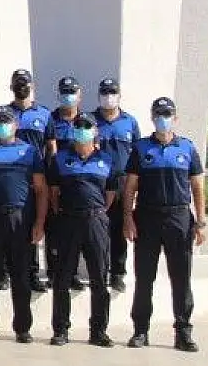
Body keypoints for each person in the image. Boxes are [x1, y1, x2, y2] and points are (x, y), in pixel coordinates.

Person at [122, 97, 205, 352]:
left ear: (175, 118)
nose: (163, 118)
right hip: (147, 217)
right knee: (144, 277)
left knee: (181, 278)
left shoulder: (187, 148)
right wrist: (127, 217)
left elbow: (198, 187)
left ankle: (183, 332)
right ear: (152, 117)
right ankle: (140, 331)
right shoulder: (141, 148)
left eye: (167, 114)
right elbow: (130, 187)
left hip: (179, 218)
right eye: (158, 113)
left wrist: (201, 222)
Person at [0, 106, 48, 343]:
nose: (2, 125)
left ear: (16, 125)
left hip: (20, 219)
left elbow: (41, 189)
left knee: (21, 276)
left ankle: (22, 328)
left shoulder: (29, 152)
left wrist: (39, 222)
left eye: (7, 121)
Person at [46, 112, 115, 348]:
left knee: (99, 278)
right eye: (78, 126)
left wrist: (95, 212)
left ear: (95, 131)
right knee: (62, 278)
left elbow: (110, 196)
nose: (82, 130)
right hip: (68, 221)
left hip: (96, 222)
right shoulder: (60, 159)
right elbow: (53, 194)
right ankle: (61, 330)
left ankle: (98, 331)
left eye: (87, 127)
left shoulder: (106, 160)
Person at [92, 77, 142, 292]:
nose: (108, 97)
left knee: (120, 227)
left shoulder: (129, 122)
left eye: (112, 92)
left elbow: (138, 153)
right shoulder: (91, 120)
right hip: (97, 179)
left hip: (122, 181)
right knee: (97, 227)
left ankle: (118, 273)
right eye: (105, 92)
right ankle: (99, 270)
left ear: (119, 96)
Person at [7, 69, 52, 293]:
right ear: (12, 86)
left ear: (32, 86)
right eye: (18, 83)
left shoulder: (44, 114)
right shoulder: (4, 113)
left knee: (33, 223)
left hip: (36, 176)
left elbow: (51, 146)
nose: (22, 87)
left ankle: (33, 272)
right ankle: (7, 271)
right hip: (12, 176)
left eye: (25, 83)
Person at [44, 75, 86, 292]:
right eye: (64, 92)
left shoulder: (86, 121)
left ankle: (73, 273)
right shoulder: (50, 119)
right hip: (55, 179)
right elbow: (49, 151)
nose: (68, 96)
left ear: (80, 95)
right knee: (54, 228)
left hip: (78, 182)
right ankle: (53, 272)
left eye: (72, 92)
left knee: (75, 230)